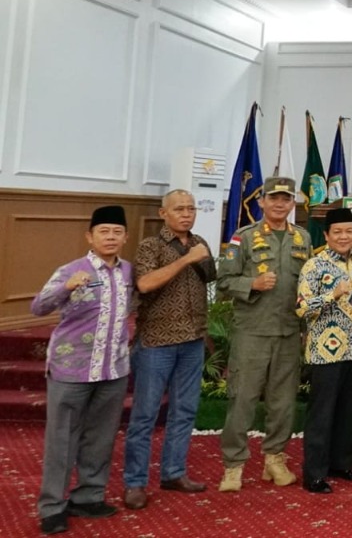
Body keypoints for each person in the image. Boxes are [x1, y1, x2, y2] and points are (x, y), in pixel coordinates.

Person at [32, 205, 133, 535]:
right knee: (61, 440)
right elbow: (38, 307)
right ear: (90, 236)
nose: (110, 237)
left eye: (117, 232)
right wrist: (66, 287)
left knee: (101, 438)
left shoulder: (128, 272)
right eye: (104, 231)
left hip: (113, 369)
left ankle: (89, 496)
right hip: (71, 369)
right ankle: (52, 507)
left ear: (125, 237)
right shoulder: (71, 270)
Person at [216, 176, 313, 492]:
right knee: (242, 399)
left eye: (286, 199)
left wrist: (306, 329)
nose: (280, 204)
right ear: (262, 202)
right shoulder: (243, 238)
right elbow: (223, 282)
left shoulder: (303, 238)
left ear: (292, 203)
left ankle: (275, 458)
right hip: (253, 332)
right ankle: (233, 466)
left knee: (283, 402)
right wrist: (252, 284)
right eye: (274, 198)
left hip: (288, 331)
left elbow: (308, 286)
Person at [123, 190, 217, 510]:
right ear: (164, 213)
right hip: (156, 342)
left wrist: (202, 256)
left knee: (185, 411)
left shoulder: (199, 242)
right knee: (145, 415)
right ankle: (135, 482)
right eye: (179, 209)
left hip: (192, 340)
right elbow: (145, 284)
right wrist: (186, 259)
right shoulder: (150, 245)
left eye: (191, 208)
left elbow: (210, 277)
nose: (187, 214)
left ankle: (174, 473)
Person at [296, 207, 352, 493]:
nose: (343, 236)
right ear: (326, 235)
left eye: (348, 231)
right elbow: (302, 307)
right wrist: (331, 294)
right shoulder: (314, 265)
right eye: (337, 232)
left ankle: (342, 464)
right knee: (321, 415)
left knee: (348, 413)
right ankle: (314, 473)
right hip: (325, 353)